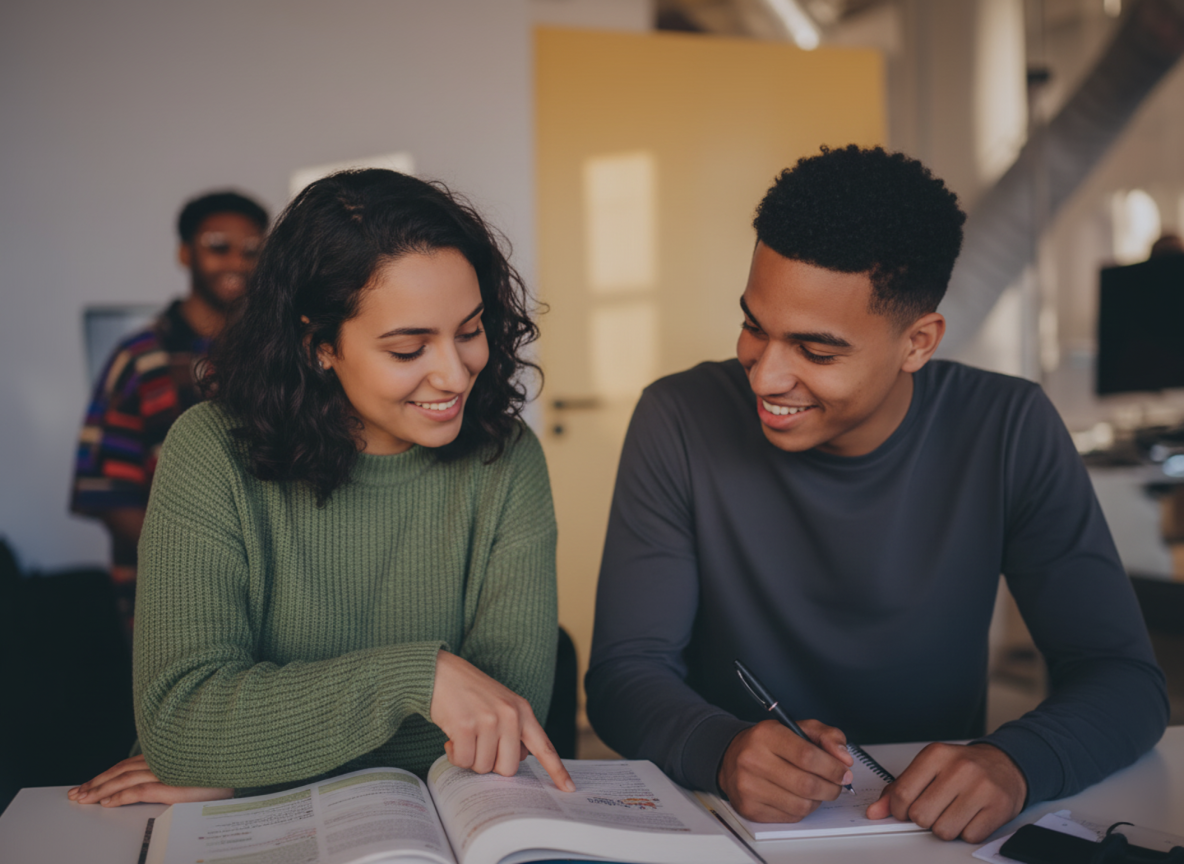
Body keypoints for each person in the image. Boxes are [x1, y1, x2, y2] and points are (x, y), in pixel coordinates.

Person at [585, 145, 1168, 843]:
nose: (766, 377)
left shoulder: (1008, 426)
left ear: (917, 343)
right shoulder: (677, 418)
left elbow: (1125, 681)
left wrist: (1016, 762)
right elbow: (625, 675)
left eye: (816, 351)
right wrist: (720, 746)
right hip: (739, 834)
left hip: (930, 836)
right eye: (753, 326)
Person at [68, 169, 574, 807]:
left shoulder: (508, 458)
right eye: (408, 348)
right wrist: (424, 681)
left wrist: (251, 755)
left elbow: (503, 728)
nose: (454, 373)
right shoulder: (210, 450)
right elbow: (181, 725)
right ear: (319, 346)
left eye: (469, 331)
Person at [70, 191, 269, 635]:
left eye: (252, 249)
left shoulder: (273, 359)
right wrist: (201, 563)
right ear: (185, 253)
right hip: (166, 598)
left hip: (268, 596)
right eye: (218, 246)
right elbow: (109, 495)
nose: (236, 260)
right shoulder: (139, 358)